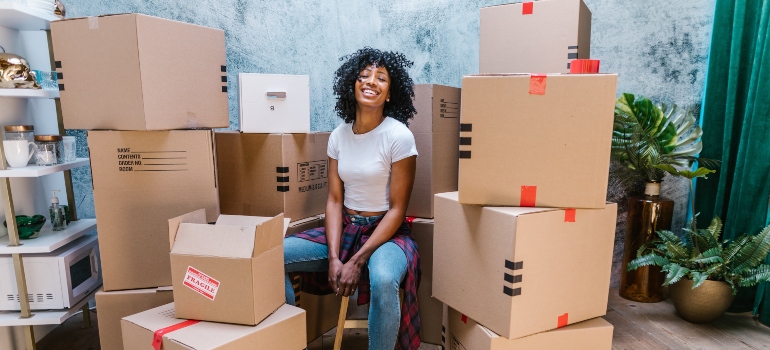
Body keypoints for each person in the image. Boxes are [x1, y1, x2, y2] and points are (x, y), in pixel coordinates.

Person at [283, 47, 422, 350]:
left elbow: (398, 210)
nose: (371, 81)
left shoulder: (398, 137)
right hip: (347, 229)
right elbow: (334, 200)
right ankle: (286, 341)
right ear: (353, 85)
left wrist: (357, 260)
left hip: (387, 234)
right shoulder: (338, 136)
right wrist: (334, 257)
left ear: (389, 93)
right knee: (274, 255)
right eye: (364, 76)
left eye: (381, 78)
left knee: (384, 280)